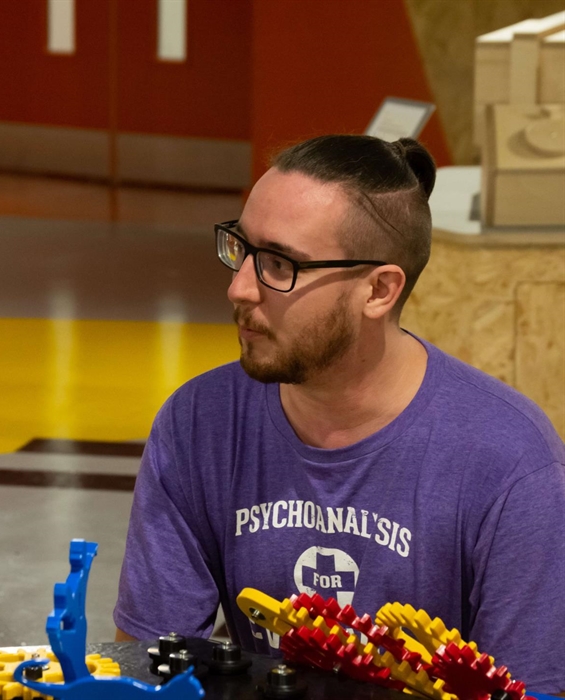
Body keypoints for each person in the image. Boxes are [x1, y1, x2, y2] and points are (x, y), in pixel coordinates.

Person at [113, 135, 565, 693]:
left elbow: (529, 689)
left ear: (378, 289)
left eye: (280, 264)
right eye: (241, 247)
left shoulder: (513, 463)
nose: (239, 287)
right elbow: (150, 668)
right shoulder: (198, 423)